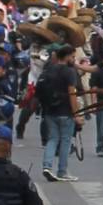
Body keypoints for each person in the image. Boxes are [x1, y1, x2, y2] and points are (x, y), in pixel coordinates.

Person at [37, 44, 82, 182]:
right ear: (67, 56)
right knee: (65, 141)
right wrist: (77, 114)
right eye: (73, 57)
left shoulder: (49, 70)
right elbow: (72, 94)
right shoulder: (70, 72)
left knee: (52, 139)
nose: (74, 60)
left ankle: (47, 166)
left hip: (50, 111)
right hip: (65, 112)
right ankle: (62, 171)